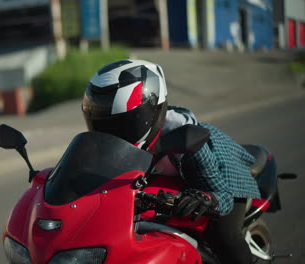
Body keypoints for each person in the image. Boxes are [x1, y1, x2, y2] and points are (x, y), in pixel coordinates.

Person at [81, 59, 261, 264]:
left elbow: (224, 196)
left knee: (223, 236)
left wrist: (206, 199)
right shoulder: (112, 146)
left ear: (150, 112)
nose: (112, 135)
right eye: (103, 126)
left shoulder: (186, 141)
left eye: (121, 124)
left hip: (225, 177)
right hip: (171, 184)